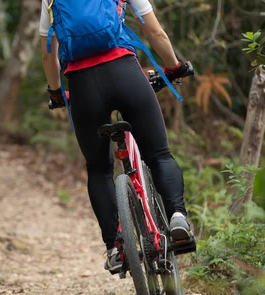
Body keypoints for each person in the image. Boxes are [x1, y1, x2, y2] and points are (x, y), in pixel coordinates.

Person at [39, 0, 195, 273]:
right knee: (158, 155)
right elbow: (156, 33)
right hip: (125, 73)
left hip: (82, 85)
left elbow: (47, 53)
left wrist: (55, 93)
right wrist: (174, 67)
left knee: (99, 170)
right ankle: (177, 216)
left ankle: (114, 247)